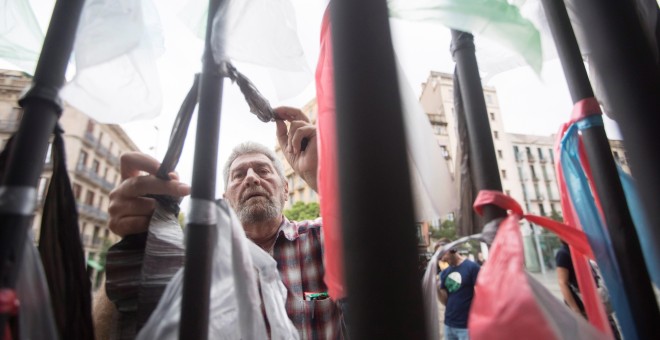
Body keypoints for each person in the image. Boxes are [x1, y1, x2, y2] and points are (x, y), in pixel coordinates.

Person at [105, 106, 342, 339]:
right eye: (238, 175)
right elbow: (128, 320)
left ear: (286, 189)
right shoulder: (197, 262)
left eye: (263, 171)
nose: (251, 179)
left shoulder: (325, 239)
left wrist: (323, 176)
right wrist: (136, 246)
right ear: (226, 200)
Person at [437, 247, 480, 340]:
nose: (443, 259)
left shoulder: (472, 267)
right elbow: (445, 301)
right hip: (448, 324)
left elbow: (480, 295)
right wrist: (437, 289)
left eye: (444, 255)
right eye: (440, 257)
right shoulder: (444, 273)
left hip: (467, 326)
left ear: (452, 250)